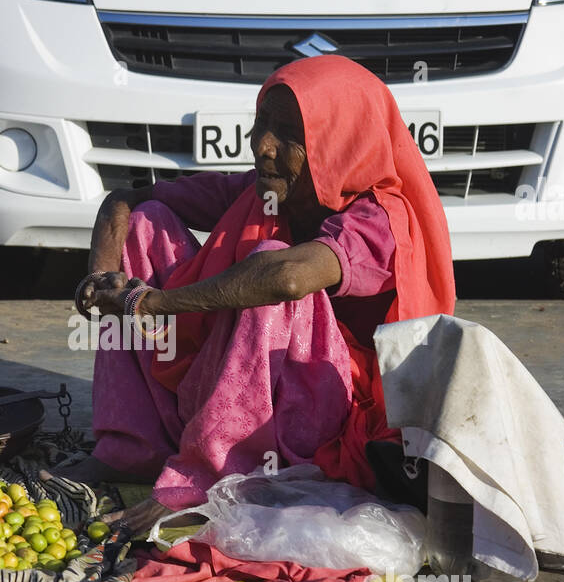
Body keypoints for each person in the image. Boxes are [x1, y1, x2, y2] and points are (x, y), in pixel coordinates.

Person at [61, 55, 456, 535]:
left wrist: (153, 303)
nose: (263, 147)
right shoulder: (266, 191)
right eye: (261, 124)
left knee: (271, 263)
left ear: (340, 144)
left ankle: (214, 477)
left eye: (289, 134)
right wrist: (101, 281)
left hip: (320, 415)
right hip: (229, 384)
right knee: (147, 223)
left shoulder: (381, 223)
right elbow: (128, 198)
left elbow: (287, 278)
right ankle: (132, 447)